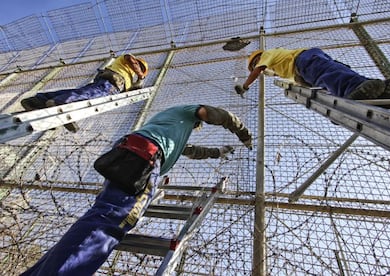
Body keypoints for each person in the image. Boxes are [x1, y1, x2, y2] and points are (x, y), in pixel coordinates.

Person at [21, 104, 252, 276]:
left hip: (134, 152)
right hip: (146, 157)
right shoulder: (186, 113)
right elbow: (214, 114)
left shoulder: (167, 127)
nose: (197, 125)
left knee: (103, 215)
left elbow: (191, 150)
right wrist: (243, 133)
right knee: (113, 220)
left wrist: (218, 152)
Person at [20, 54, 149, 132]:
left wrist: (136, 84)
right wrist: (141, 76)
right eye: (140, 68)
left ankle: (38, 100)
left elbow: (129, 89)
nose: (139, 70)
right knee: (92, 97)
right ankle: (61, 104)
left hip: (111, 83)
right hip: (111, 82)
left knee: (82, 93)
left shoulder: (129, 77)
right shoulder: (127, 60)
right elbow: (131, 60)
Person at [235, 47, 390, 100]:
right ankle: (383, 91)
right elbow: (271, 73)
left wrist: (245, 86)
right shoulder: (278, 63)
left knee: (327, 76)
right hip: (309, 59)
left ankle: (356, 87)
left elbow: (258, 71)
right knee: (334, 72)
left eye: (254, 63)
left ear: (258, 58)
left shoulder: (267, 55)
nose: (256, 67)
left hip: (303, 61)